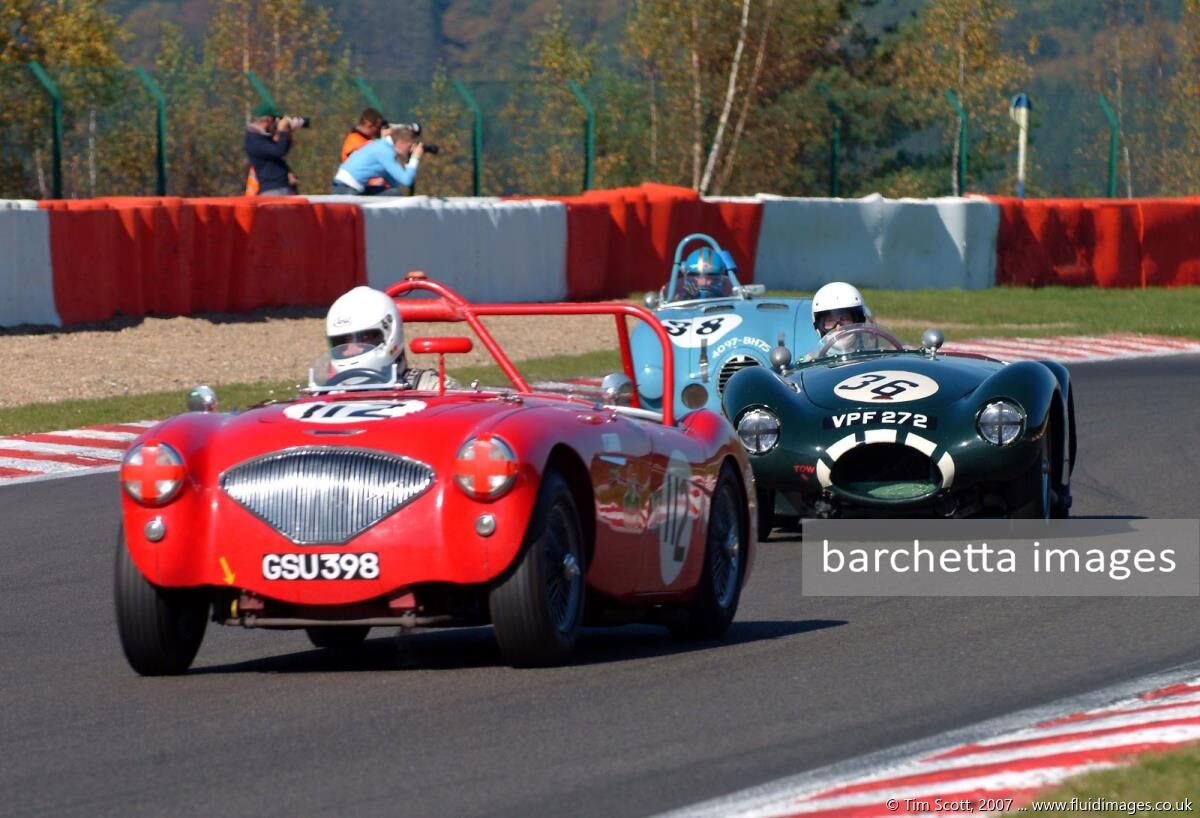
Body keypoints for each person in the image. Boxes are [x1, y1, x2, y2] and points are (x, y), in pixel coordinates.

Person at [325, 286, 454, 390]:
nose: (350, 350)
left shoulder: (431, 388)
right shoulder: (327, 395)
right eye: (341, 342)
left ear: (389, 334)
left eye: (362, 339)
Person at [331, 123, 423, 196]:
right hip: (346, 189)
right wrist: (415, 158)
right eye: (409, 146)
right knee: (394, 195)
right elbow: (406, 181)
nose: (410, 151)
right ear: (400, 143)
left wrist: (407, 165)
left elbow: (393, 183)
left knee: (394, 194)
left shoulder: (381, 145)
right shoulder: (385, 152)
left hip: (346, 186)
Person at [244, 102, 298, 196]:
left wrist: (287, 132)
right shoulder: (254, 139)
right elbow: (279, 151)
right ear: (268, 120)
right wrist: (282, 131)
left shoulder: (262, 137)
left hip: (281, 187)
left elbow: (282, 147)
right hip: (272, 190)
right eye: (275, 120)